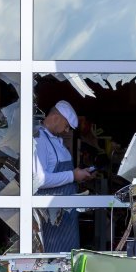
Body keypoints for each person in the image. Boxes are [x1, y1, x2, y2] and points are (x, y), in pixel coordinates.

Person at [32, 100, 93, 252]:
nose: (67, 131)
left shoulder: (56, 141)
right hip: (52, 218)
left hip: (66, 216)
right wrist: (73, 175)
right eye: (67, 126)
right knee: (54, 260)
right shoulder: (39, 139)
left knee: (69, 259)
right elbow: (40, 180)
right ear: (55, 117)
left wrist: (81, 174)